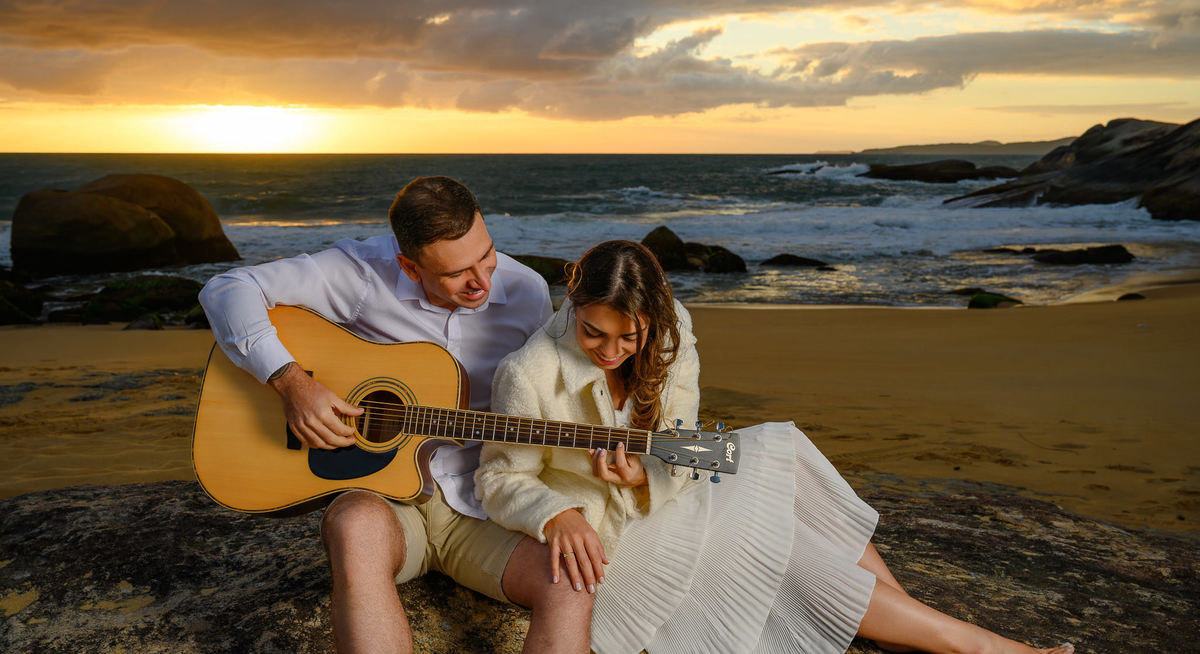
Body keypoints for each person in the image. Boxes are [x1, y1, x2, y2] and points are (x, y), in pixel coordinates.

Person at [475, 239, 1077, 654]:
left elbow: (686, 440)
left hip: (665, 489)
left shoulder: (673, 328)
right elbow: (499, 480)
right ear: (572, 304)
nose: (609, 352)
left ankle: (911, 620)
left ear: (653, 321)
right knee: (785, 554)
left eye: (627, 338)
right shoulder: (527, 371)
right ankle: (971, 643)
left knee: (779, 447)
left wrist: (643, 475)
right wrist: (557, 515)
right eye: (592, 333)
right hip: (612, 535)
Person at [199, 176, 594, 654]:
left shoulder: (527, 291)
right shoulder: (362, 274)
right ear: (408, 265)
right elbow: (228, 288)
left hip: (484, 504)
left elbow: (547, 400)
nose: (483, 282)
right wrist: (291, 383)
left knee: (571, 579)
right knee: (352, 527)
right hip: (386, 500)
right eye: (456, 273)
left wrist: (591, 467)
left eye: (486, 255)